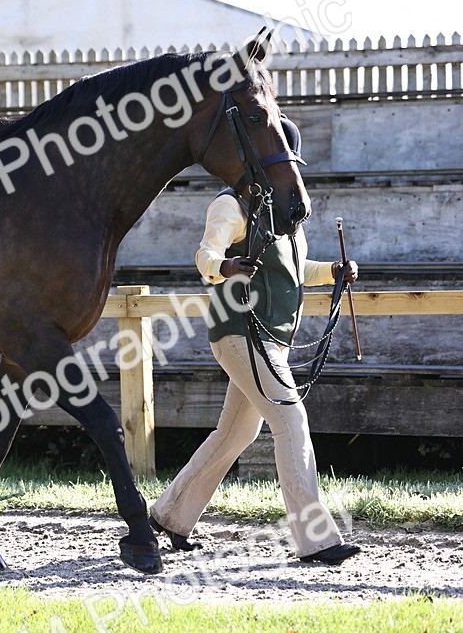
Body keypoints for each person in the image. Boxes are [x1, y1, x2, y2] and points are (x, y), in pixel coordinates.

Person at [149, 118, 361, 566]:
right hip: (240, 331)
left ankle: (170, 513)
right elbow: (206, 255)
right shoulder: (231, 205)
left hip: (270, 338)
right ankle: (316, 539)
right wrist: (225, 268)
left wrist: (334, 273)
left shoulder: (284, 219)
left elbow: (296, 272)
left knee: (235, 434)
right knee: (291, 421)